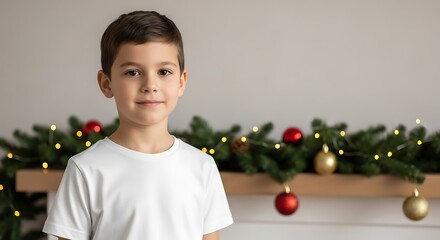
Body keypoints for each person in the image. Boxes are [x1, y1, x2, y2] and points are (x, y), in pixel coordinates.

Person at [43, 10, 233, 240]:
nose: (150, 85)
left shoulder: (202, 167)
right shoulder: (86, 170)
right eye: (133, 72)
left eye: (164, 72)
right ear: (106, 83)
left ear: (181, 82)